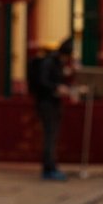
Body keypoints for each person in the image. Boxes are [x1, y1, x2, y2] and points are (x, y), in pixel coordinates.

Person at [29, 37, 73, 181]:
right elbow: (43, 82)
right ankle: (48, 168)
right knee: (50, 135)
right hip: (46, 103)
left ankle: (51, 166)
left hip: (53, 103)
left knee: (53, 136)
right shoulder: (49, 62)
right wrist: (56, 88)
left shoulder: (57, 63)